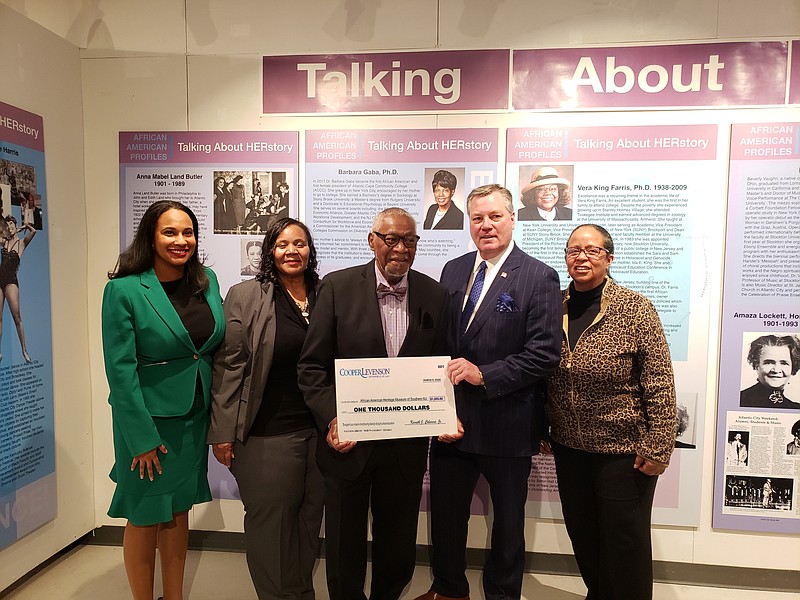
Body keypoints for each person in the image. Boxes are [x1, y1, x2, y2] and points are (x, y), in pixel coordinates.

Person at [417, 184, 562, 600]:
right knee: (445, 516)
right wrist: (436, 412)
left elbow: (545, 354)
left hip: (508, 421)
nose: (486, 226)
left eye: (495, 216)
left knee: (508, 524)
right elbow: (444, 347)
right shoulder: (454, 269)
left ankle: (501, 595)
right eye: (477, 218)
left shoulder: (539, 276)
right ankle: (448, 590)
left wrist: (486, 375)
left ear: (512, 218)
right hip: (454, 422)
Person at [297, 207, 450, 600]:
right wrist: (333, 418)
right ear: (372, 241)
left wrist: (447, 414)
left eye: (410, 240)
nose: (400, 248)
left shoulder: (435, 294)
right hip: (348, 446)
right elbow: (311, 367)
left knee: (398, 543)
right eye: (391, 239)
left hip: (406, 447)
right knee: (344, 543)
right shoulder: (337, 287)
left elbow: (443, 367)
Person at [101, 200, 225, 600]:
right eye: (169, 232)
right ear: (150, 237)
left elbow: (205, 349)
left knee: (177, 509)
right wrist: (140, 437)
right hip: (147, 422)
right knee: (144, 513)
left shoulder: (207, 279)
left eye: (187, 232)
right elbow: (120, 372)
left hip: (193, 416)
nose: (180, 240)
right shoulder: (123, 290)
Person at [545, 224, 676, 600]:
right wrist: (540, 425)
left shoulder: (634, 308)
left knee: (624, 543)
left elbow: (660, 382)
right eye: (573, 250)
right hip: (569, 447)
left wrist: (658, 446)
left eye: (592, 251)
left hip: (624, 452)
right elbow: (538, 372)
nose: (581, 257)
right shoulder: (553, 306)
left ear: (609, 258)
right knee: (583, 533)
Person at [210, 217, 324, 600]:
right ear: (270, 252)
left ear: (310, 251)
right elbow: (229, 366)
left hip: (321, 435)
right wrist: (223, 432)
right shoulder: (245, 295)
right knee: (271, 529)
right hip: (267, 434)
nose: (292, 251)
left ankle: (299, 593)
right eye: (282, 244)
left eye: (300, 244)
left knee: (309, 525)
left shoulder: (327, 294)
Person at [0, 214, 36, 363]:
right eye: (8, 225)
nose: (9, 227)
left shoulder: (21, 243)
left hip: (11, 280)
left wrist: (23, 227)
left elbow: (33, 231)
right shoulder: (4, 242)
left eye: (12, 224)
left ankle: (24, 349)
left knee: (17, 318)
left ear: (16, 226)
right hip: (0, 279)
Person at [740, 335, 800, 409]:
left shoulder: (796, 408)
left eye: (784, 363)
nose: (776, 370)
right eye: (768, 362)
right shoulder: (741, 400)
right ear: (756, 365)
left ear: (793, 367)